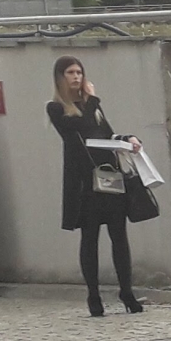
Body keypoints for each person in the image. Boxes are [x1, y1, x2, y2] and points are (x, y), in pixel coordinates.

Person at [48, 55, 144, 316]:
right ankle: (94, 295)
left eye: (79, 72)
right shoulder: (56, 108)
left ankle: (127, 292)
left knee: (119, 235)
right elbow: (78, 130)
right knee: (89, 237)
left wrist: (128, 138)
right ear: (61, 77)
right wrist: (91, 101)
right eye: (70, 72)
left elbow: (105, 133)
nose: (77, 77)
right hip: (84, 181)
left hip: (108, 174)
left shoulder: (93, 106)